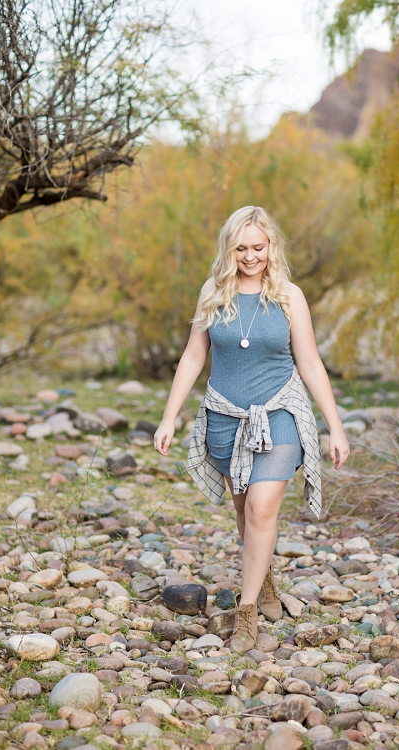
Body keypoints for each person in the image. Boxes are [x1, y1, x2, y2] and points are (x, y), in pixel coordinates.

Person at [153, 205, 350, 653]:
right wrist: (169, 417)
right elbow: (193, 357)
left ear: (271, 246)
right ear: (229, 249)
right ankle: (263, 581)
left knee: (262, 508)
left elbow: (310, 362)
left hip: (280, 413)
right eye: (241, 248)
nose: (250, 256)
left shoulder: (288, 295)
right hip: (225, 417)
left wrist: (334, 428)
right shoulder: (213, 291)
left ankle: (246, 616)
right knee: (245, 515)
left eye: (258, 247)